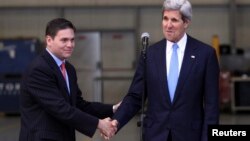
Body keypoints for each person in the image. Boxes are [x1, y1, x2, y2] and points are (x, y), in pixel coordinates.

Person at [110, 0, 220, 141]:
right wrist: (116, 122)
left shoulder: (205, 55)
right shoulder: (150, 54)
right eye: (165, 19)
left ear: (186, 23)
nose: (168, 25)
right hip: (155, 135)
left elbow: (212, 106)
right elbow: (135, 96)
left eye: (174, 20)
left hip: (190, 136)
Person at [19, 18, 120, 141]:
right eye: (64, 40)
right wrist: (99, 124)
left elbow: (78, 104)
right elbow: (61, 108)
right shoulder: (39, 69)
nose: (70, 45)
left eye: (72, 40)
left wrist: (113, 109)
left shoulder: (69, 69)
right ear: (49, 40)